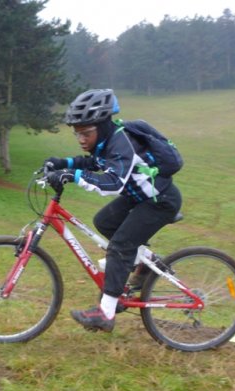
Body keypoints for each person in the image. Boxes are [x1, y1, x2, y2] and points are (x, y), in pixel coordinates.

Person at [43, 89, 182, 332]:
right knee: (104, 221)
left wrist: (73, 175)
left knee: (119, 246)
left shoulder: (121, 141)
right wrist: (64, 163)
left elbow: (113, 182)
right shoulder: (107, 142)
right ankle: (147, 264)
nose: (81, 139)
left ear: (103, 125)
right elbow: (95, 162)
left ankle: (105, 314)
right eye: (77, 134)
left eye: (86, 133)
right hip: (138, 197)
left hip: (159, 201)